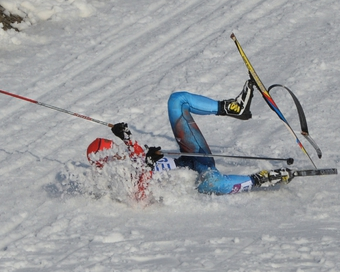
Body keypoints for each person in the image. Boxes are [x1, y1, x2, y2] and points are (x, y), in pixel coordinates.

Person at [86, 79, 292, 197]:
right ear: (101, 163)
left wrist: (128, 139)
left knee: (176, 100)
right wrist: (148, 165)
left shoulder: (127, 158)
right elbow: (138, 199)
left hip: (191, 155)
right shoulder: (112, 183)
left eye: (114, 148)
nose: (117, 155)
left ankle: (232, 107)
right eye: (110, 155)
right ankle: (259, 180)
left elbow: (138, 157)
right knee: (214, 183)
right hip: (197, 177)